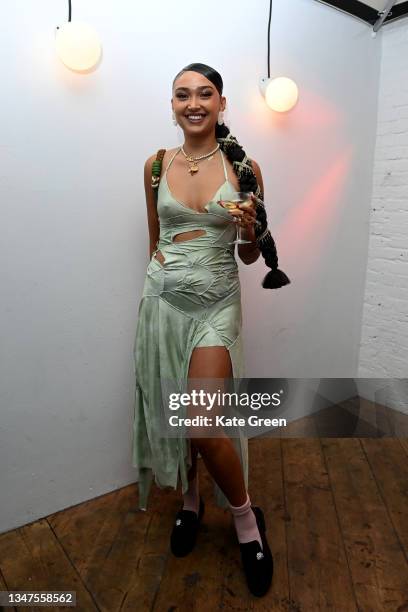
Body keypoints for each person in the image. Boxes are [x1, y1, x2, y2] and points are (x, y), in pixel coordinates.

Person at [132, 62, 290, 597]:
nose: (193, 102)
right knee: (180, 411)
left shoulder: (245, 169)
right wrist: (165, 283)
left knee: (201, 418)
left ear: (222, 104)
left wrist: (249, 231)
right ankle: (192, 501)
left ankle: (247, 523)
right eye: (182, 94)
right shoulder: (156, 166)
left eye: (205, 93)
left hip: (216, 307)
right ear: (172, 105)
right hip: (163, 304)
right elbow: (156, 239)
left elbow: (249, 255)